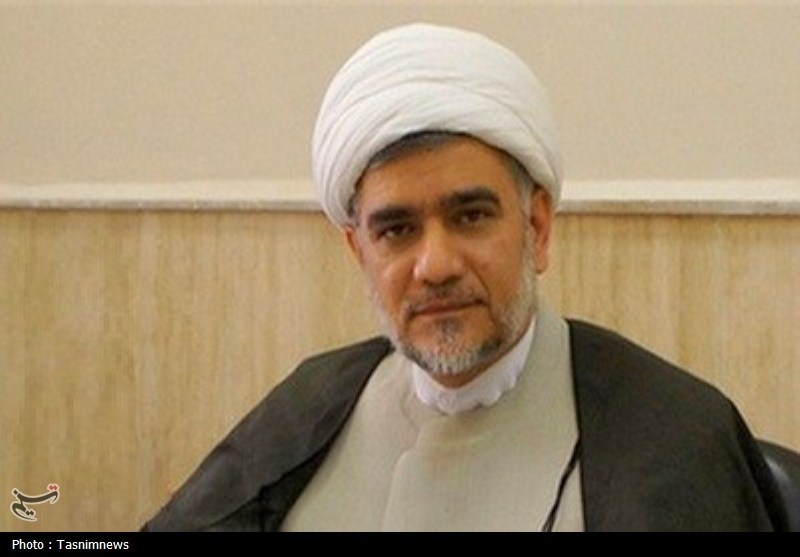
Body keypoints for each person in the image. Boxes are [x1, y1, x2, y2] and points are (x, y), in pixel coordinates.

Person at [142, 23, 787, 532]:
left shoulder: (678, 438)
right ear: (358, 251)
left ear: (537, 228)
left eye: (471, 216)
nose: (436, 266)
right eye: (396, 230)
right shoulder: (310, 404)